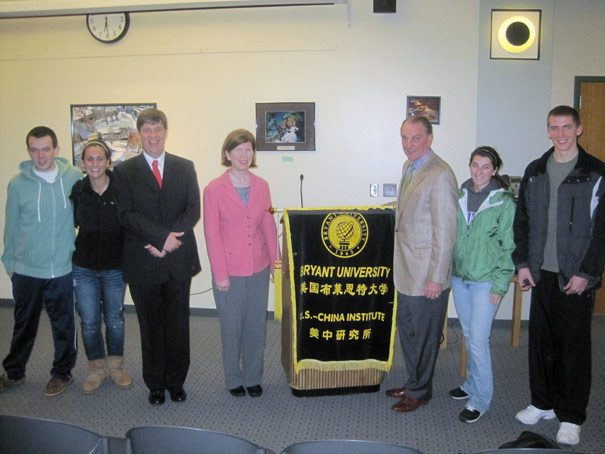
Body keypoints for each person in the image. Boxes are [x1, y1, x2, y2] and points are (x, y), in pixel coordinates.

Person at [512, 105, 605, 445]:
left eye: (567, 127)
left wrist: (587, 272)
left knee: (574, 348)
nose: (561, 134)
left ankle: (571, 415)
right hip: (541, 273)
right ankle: (542, 402)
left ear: (579, 129)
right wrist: (522, 263)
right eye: (554, 128)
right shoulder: (535, 171)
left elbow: (601, 232)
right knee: (540, 342)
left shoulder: (595, 172)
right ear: (547, 130)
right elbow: (521, 221)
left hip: (575, 276)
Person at [113, 108, 201, 405]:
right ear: (140, 134)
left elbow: (192, 209)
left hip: (177, 259)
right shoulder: (124, 171)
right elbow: (125, 214)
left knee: (178, 325)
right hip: (143, 260)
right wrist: (159, 238)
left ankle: (176, 383)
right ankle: (155, 385)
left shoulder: (184, 166)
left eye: (158, 129)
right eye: (147, 131)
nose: (153, 136)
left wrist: (169, 240)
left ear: (165, 132)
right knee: (150, 327)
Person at [0, 126, 82, 397]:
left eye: (45, 149)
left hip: (61, 267)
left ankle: (62, 373)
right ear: (29, 152)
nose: (40, 155)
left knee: (63, 325)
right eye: (34, 150)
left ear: (56, 150)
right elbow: (10, 228)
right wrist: (9, 263)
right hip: (26, 269)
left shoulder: (72, 178)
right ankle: (14, 372)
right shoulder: (18, 184)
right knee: (24, 324)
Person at [386, 116, 458, 412]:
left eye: (415, 138)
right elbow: (409, 211)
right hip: (406, 270)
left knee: (425, 336)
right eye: (404, 138)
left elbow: (445, 231)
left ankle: (420, 391)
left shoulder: (440, 173)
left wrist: (436, 279)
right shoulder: (409, 167)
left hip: (427, 275)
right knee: (409, 332)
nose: (408, 145)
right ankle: (413, 380)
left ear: (429, 138)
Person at [203, 129, 277, 398]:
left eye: (249, 149)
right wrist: (220, 273)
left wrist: (275, 263)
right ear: (227, 154)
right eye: (238, 150)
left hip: (258, 266)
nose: (244, 155)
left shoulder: (262, 186)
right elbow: (212, 234)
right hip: (229, 271)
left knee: (256, 325)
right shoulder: (214, 189)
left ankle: (253, 376)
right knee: (231, 327)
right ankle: (234, 378)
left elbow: (268, 225)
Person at [449, 146, 515, 423]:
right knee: (468, 335)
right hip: (460, 278)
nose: (479, 171)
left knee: (478, 341)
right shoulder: (459, 195)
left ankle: (480, 400)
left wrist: (500, 286)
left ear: (495, 170)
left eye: (486, 166)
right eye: (475, 165)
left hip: (485, 282)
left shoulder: (504, 202)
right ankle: (471, 385)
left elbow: (508, 247)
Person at [70, 140, 132, 394]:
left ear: (108, 162)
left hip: (115, 267)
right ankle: (97, 368)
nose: (95, 163)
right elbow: (71, 223)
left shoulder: (121, 189)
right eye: (89, 159)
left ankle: (116, 366)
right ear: (83, 164)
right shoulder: (77, 190)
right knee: (90, 321)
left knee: (115, 319)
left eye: (99, 159)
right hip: (83, 267)